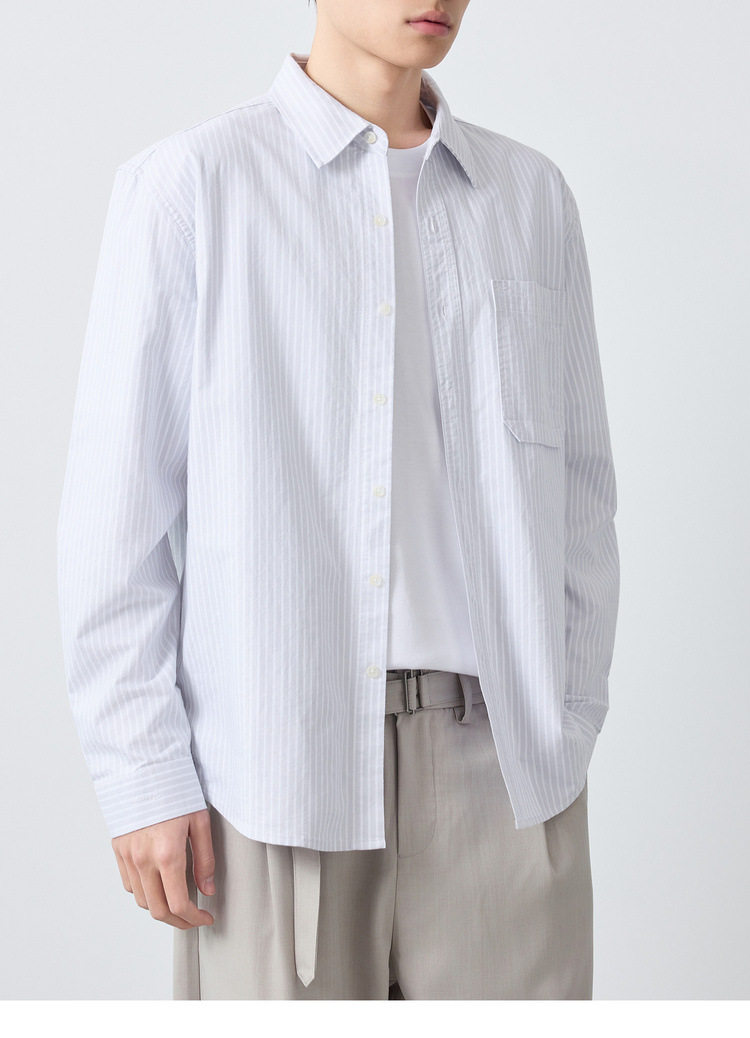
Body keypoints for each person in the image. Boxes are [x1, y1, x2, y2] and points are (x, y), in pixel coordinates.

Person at [57, 0, 620, 1000]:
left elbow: (579, 491)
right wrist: (143, 772)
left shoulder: (531, 196)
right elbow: (116, 517)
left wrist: (567, 724)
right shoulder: (195, 185)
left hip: (506, 775)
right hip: (274, 771)